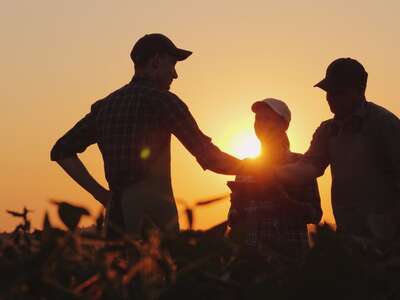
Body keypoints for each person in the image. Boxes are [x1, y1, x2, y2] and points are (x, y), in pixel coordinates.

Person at [50, 33, 242, 238]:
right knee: (159, 269)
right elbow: (209, 157)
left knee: (119, 270)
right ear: (156, 61)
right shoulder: (162, 101)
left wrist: (102, 196)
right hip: (155, 223)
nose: (175, 74)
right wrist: (259, 169)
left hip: (116, 222)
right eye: (172, 64)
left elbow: (61, 151)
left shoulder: (106, 106)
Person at [274, 58, 400, 240]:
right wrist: (268, 173)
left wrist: (386, 225)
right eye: (328, 91)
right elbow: (308, 167)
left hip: (388, 240)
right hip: (349, 236)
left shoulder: (384, 124)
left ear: (359, 90)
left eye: (338, 91)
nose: (330, 97)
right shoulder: (328, 131)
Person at [227, 98, 322, 259]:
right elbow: (233, 220)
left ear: (283, 125)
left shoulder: (301, 164)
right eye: (258, 119)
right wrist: (236, 205)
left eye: (267, 119)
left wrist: (286, 203)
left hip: (291, 257)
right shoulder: (245, 167)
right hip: (252, 258)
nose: (260, 124)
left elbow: (315, 214)